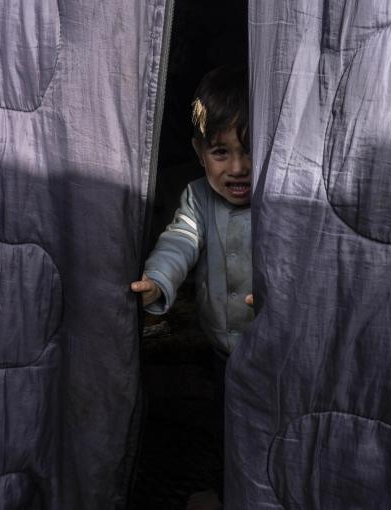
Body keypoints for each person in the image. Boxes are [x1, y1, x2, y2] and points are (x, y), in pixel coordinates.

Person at [130, 65, 252, 510]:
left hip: (275, 352)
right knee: (224, 427)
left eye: (250, 151)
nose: (238, 168)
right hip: (222, 349)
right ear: (200, 152)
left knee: (267, 429)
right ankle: (224, 491)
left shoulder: (282, 195)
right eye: (222, 152)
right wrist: (157, 280)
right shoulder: (198, 197)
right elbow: (180, 239)